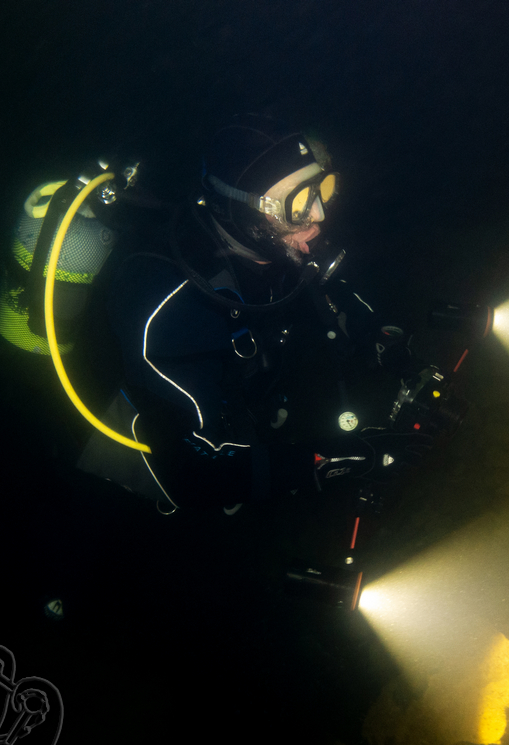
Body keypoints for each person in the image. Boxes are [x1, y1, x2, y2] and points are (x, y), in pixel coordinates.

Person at [80, 115, 431, 512]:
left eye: (322, 189)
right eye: (298, 203)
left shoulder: (277, 245)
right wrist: (342, 458)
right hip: (144, 496)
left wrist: (393, 349)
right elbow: (192, 472)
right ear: (245, 213)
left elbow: (335, 297)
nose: (318, 214)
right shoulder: (172, 305)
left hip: (249, 425)